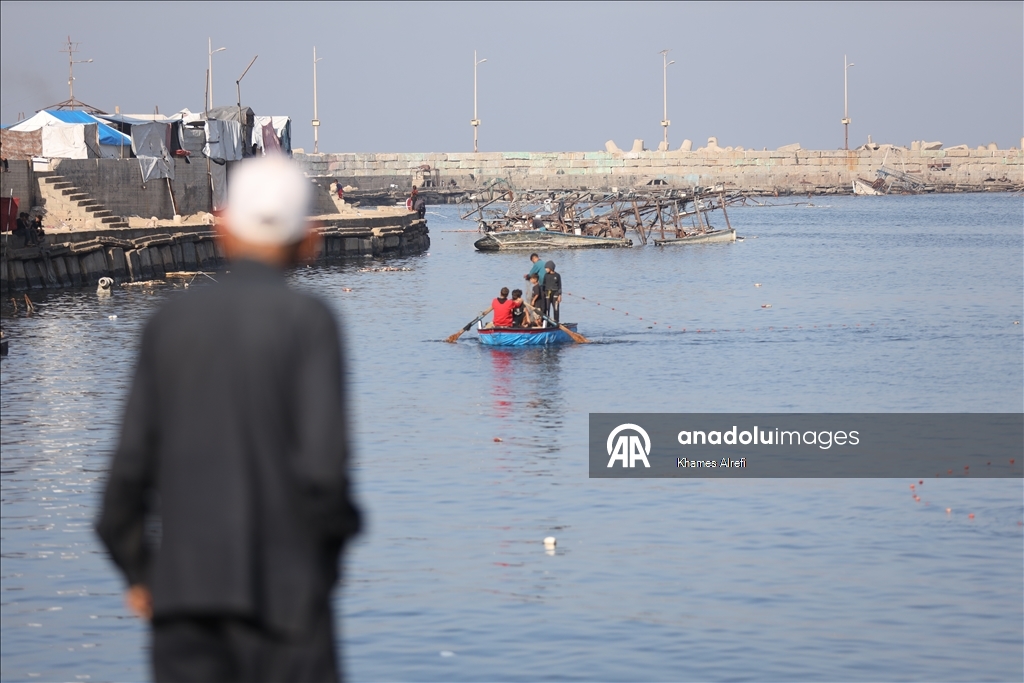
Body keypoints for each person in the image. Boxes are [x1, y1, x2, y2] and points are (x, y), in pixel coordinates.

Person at [96, 156, 361, 683]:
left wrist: (145, 574)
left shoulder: (168, 324)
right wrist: (322, 567)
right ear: (309, 240)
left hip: (186, 604)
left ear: (222, 230)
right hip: (287, 605)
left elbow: (124, 485)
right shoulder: (310, 323)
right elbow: (325, 477)